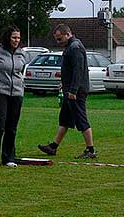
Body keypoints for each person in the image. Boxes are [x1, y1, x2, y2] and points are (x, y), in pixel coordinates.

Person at [38, 24, 97, 159]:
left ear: (68, 34)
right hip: (69, 89)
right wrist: (63, 84)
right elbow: (70, 70)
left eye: (60, 39)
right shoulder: (70, 47)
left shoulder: (75, 48)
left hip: (75, 91)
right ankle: (53, 147)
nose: (58, 42)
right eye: (57, 39)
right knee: (65, 119)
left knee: (81, 119)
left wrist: (73, 90)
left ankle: (91, 149)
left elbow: (78, 70)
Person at [0, 26, 26, 168]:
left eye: (18, 38)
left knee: (11, 127)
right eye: (14, 37)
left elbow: (20, 71)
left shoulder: (21, 54)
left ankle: (9, 157)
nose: (16, 40)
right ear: (7, 37)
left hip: (17, 93)